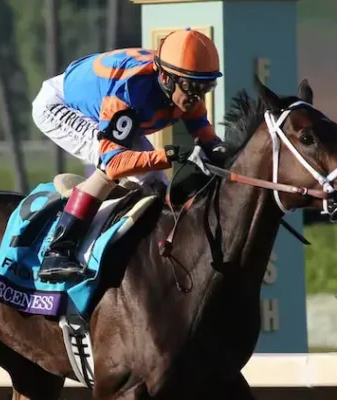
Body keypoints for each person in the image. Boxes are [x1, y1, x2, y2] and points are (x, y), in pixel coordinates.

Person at [30, 28, 230, 283]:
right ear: (167, 80)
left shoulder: (182, 87)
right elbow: (114, 164)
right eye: (192, 87)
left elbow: (207, 139)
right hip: (61, 105)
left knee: (158, 185)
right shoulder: (130, 90)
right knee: (112, 169)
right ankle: (58, 250)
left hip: (107, 102)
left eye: (206, 87)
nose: (197, 97)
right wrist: (171, 154)